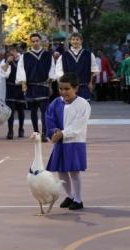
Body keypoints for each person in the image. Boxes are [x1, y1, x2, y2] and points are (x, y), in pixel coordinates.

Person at [45, 72, 91, 210]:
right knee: (61, 170)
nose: (63, 92)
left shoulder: (83, 104)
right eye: (61, 88)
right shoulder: (55, 103)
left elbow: (78, 125)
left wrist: (63, 133)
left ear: (76, 88)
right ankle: (70, 195)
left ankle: (78, 199)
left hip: (75, 142)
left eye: (67, 89)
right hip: (60, 141)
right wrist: (53, 132)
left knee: (74, 171)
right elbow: (49, 118)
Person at [16, 33, 56, 142]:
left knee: (44, 111)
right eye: (33, 41)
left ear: (40, 41)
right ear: (30, 42)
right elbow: (21, 70)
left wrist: (50, 85)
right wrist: (23, 84)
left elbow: (52, 70)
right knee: (33, 111)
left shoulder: (48, 55)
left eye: (37, 41)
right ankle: (36, 132)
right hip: (31, 86)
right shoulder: (25, 56)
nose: (35, 43)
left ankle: (44, 133)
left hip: (43, 86)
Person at [55, 32, 99, 102]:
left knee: (85, 110)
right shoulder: (64, 56)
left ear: (81, 41)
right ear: (70, 41)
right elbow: (59, 73)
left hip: (84, 86)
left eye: (77, 39)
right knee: (70, 110)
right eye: (73, 39)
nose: (75, 41)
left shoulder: (89, 55)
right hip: (69, 88)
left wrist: (91, 83)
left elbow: (93, 70)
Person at [0, 46, 26, 139]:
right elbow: (4, 74)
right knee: (10, 111)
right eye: (9, 52)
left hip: (20, 87)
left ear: (16, 51)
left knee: (21, 110)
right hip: (10, 87)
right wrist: (7, 62)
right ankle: (10, 130)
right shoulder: (5, 62)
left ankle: (21, 129)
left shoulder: (22, 59)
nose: (12, 53)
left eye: (13, 51)